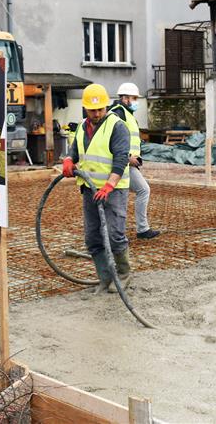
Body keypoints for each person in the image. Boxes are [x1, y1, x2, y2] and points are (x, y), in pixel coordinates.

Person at [62, 83, 132, 293]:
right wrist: (67, 160)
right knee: (92, 237)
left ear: (106, 107)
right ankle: (105, 277)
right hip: (90, 189)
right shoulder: (83, 126)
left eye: (100, 109)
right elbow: (74, 151)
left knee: (114, 234)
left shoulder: (117, 126)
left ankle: (123, 273)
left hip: (114, 189)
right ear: (85, 109)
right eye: (92, 110)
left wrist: (110, 185)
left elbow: (121, 159)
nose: (96, 113)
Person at [110, 82, 160, 240]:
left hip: (127, 164)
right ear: (125, 98)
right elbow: (113, 140)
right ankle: (141, 229)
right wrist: (128, 157)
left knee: (123, 196)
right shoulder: (117, 114)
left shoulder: (126, 114)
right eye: (134, 98)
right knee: (141, 190)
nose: (137, 101)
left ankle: (137, 229)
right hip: (122, 163)